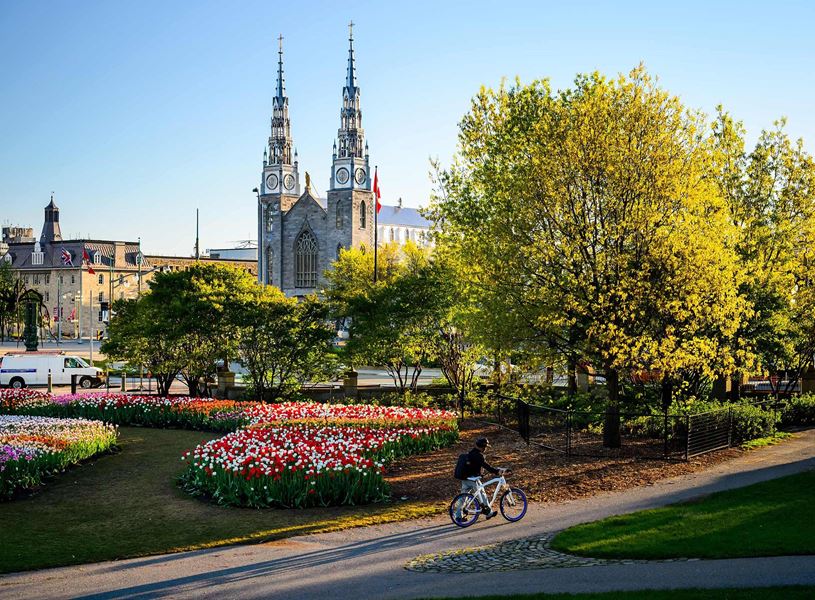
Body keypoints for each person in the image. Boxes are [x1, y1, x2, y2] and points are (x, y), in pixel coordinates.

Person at [460, 437, 505, 519]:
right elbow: (486, 466)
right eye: (485, 447)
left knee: (463, 498)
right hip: (473, 479)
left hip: (465, 478)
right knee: (482, 495)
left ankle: (457, 516)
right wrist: (496, 471)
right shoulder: (479, 455)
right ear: (482, 447)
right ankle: (489, 513)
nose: (485, 449)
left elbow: (475, 466)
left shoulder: (471, 453)